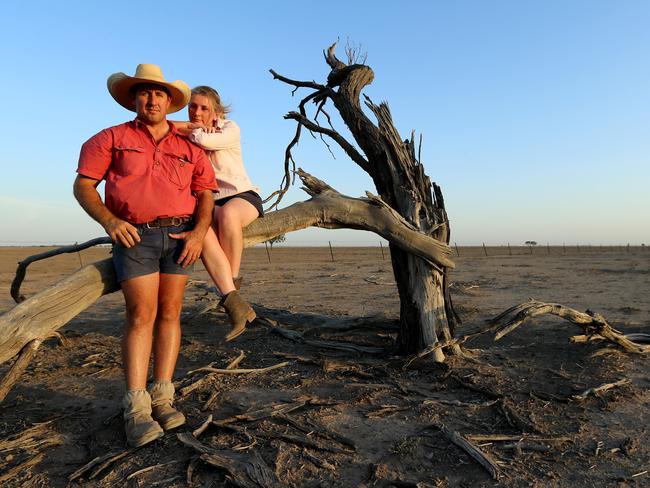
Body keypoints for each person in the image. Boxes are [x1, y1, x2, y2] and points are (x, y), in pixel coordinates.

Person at [73, 64, 217, 448]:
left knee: (171, 314)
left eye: (159, 94)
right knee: (141, 315)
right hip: (135, 236)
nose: (152, 99)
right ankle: (136, 408)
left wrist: (200, 232)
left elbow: (205, 194)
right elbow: (84, 185)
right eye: (144, 93)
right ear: (133, 98)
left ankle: (163, 398)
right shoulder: (110, 138)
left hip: (180, 236)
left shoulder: (191, 148)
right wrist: (109, 221)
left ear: (170, 102)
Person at [173, 86, 261, 341]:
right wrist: (191, 128)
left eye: (204, 108)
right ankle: (234, 303)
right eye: (192, 107)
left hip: (241, 195)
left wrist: (193, 129)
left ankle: (232, 282)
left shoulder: (230, 128)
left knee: (228, 216)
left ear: (217, 112)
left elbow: (205, 141)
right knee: (202, 235)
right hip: (210, 202)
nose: (197, 112)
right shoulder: (187, 136)